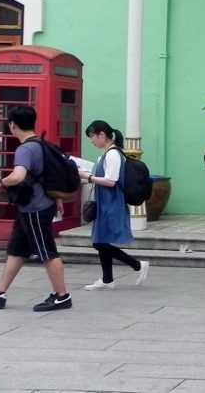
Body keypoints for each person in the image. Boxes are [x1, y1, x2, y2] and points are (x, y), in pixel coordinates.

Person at [0, 104, 73, 312]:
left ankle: (62, 296)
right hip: (32, 207)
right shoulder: (41, 144)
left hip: (35, 208)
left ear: (12, 124)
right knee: (17, 249)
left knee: (47, 252)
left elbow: (18, 176)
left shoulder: (25, 148)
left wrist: (3, 182)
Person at [80, 120, 148, 291]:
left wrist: (87, 177)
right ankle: (107, 279)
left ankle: (138, 265)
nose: (92, 141)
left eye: (92, 137)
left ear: (102, 135)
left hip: (111, 203)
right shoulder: (109, 153)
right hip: (106, 202)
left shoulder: (113, 154)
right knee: (100, 240)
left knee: (99, 242)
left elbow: (111, 181)